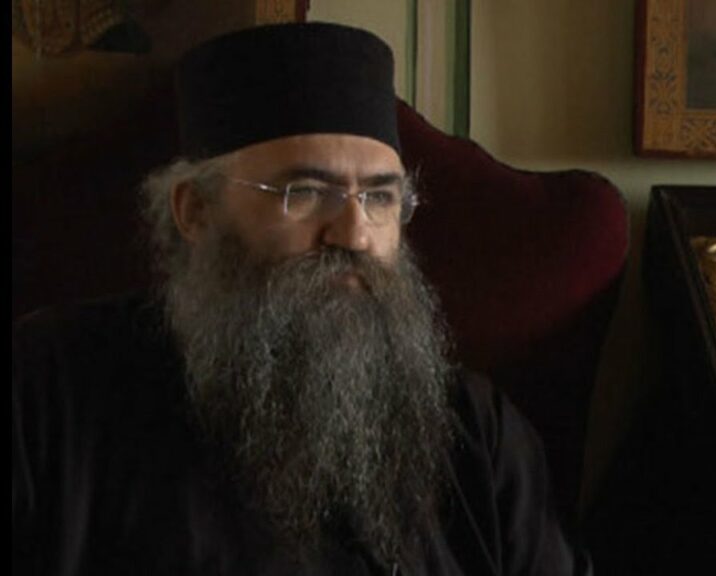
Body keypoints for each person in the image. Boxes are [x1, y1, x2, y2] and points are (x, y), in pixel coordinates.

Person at [12, 22, 587, 575]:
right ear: (196, 211)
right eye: (306, 192)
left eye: (381, 198)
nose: (356, 235)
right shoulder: (52, 389)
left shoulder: (478, 433)